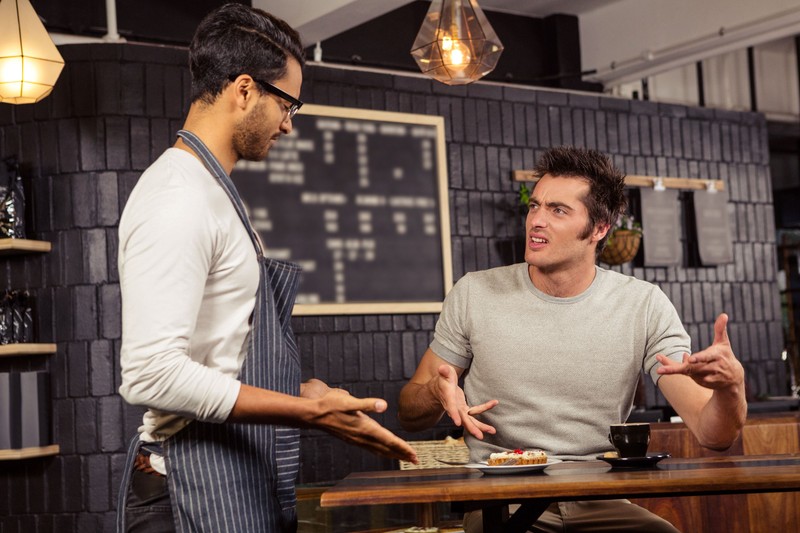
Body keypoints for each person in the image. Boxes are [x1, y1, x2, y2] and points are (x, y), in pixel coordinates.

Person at [116, 4, 417, 532]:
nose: (289, 124)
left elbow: (217, 358)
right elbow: (151, 373)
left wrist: (306, 395)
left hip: (233, 475)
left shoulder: (213, 194)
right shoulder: (177, 197)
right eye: (288, 104)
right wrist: (308, 415)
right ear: (246, 90)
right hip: (188, 488)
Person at [398, 146, 746, 532]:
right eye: (535, 206)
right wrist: (435, 392)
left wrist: (731, 390)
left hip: (599, 499)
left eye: (558, 210)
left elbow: (712, 435)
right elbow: (409, 413)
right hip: (504, 502)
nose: (536, 221)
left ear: (599, 229)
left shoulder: (643, 304)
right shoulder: (474, 293)